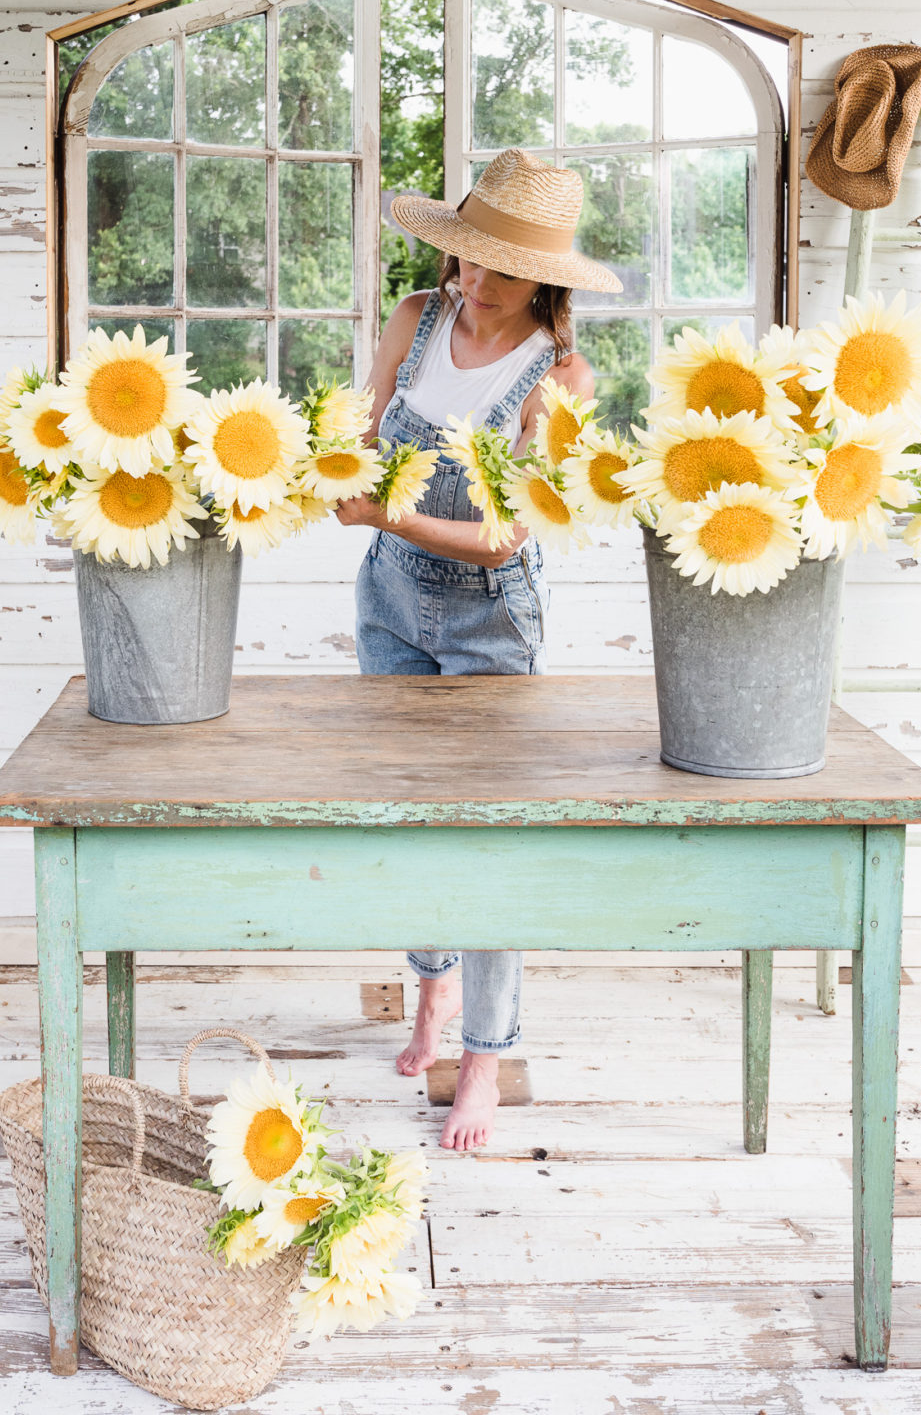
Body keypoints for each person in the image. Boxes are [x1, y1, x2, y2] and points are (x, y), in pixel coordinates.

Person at [335, 147, 622, 1151]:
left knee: (492, 840)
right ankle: (431, 990)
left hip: (489, 618)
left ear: (542, 278)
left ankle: (487, 1058)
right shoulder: (416, 320)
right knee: (407, 820)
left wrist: (384, 512)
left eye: (497, 267)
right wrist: (327, 472)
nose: (472, 281)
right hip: (388, 606)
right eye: (465, 257)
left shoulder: (560, 376)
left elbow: (507, 535)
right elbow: (366, 429)